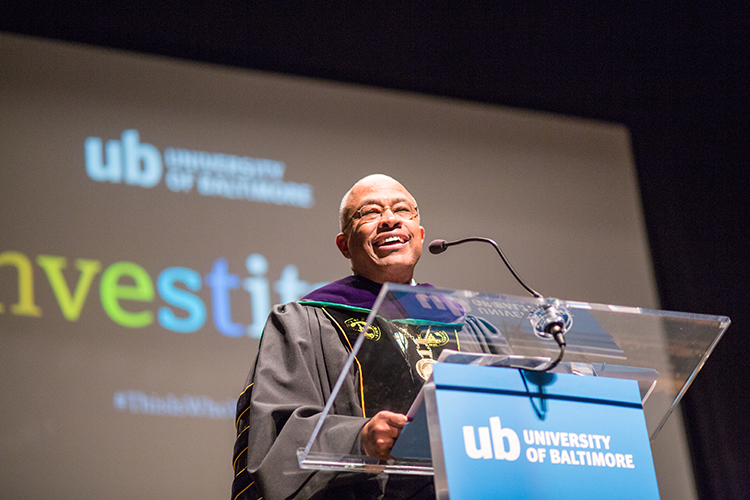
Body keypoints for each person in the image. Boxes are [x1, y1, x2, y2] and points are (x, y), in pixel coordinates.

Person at [232, 174, 461, 500]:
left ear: (420, 235)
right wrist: (359, 439)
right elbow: (276, 433)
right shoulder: (304, 322)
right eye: (369, 213)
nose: (390, 220)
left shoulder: (465, 325)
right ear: (344, 245)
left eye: (402, 210)